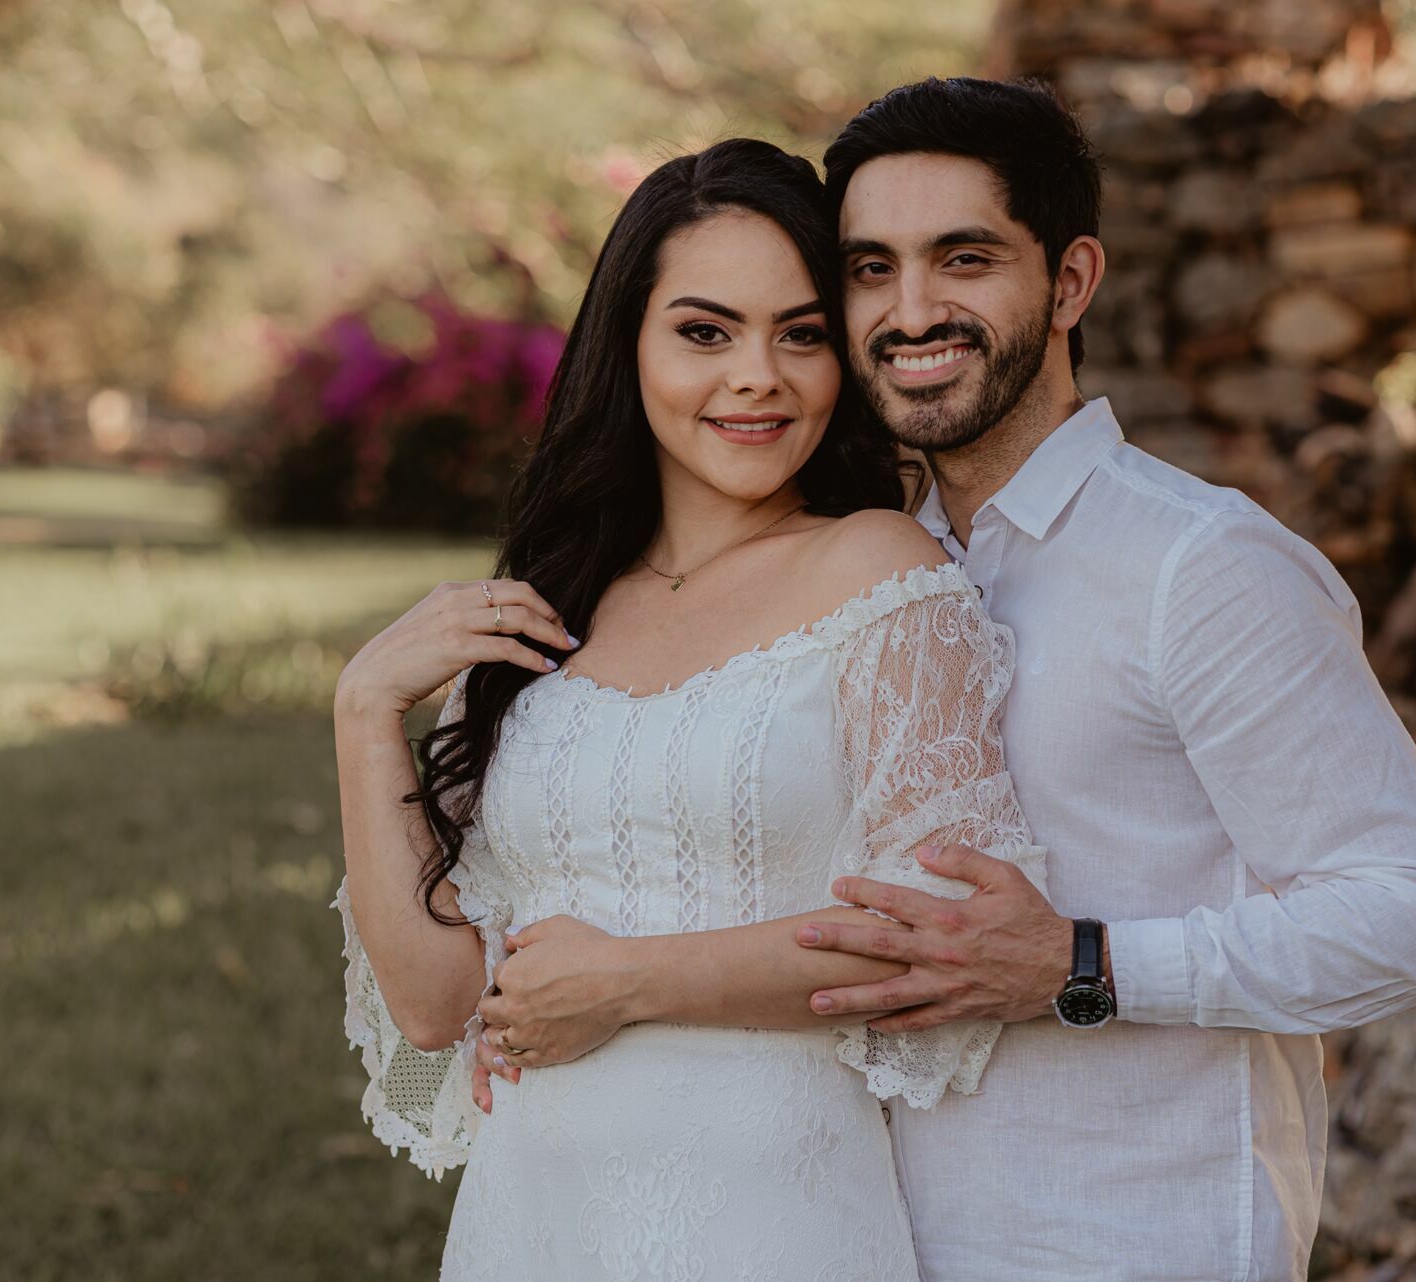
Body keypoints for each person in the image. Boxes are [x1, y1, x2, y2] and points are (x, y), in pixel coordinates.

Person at [468, 78, 1416, 1280]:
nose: (912, 312)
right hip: (859, 1232)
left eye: (964, 259)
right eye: (871, 268)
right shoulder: (871, 568)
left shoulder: (1198, 566)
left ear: (1070, 282)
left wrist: (1084, 966)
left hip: (1126, 1242)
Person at [328, 135, 1048, 1281]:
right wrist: (365, 709)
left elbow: (936, 938)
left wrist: (626, 982)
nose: (757, 376)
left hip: (771, 1216)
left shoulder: (878, 570)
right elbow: (433, 1004)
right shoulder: (544, 610)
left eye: (800, 334)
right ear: (628, 344)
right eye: (706, 332)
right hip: (536, 1219)